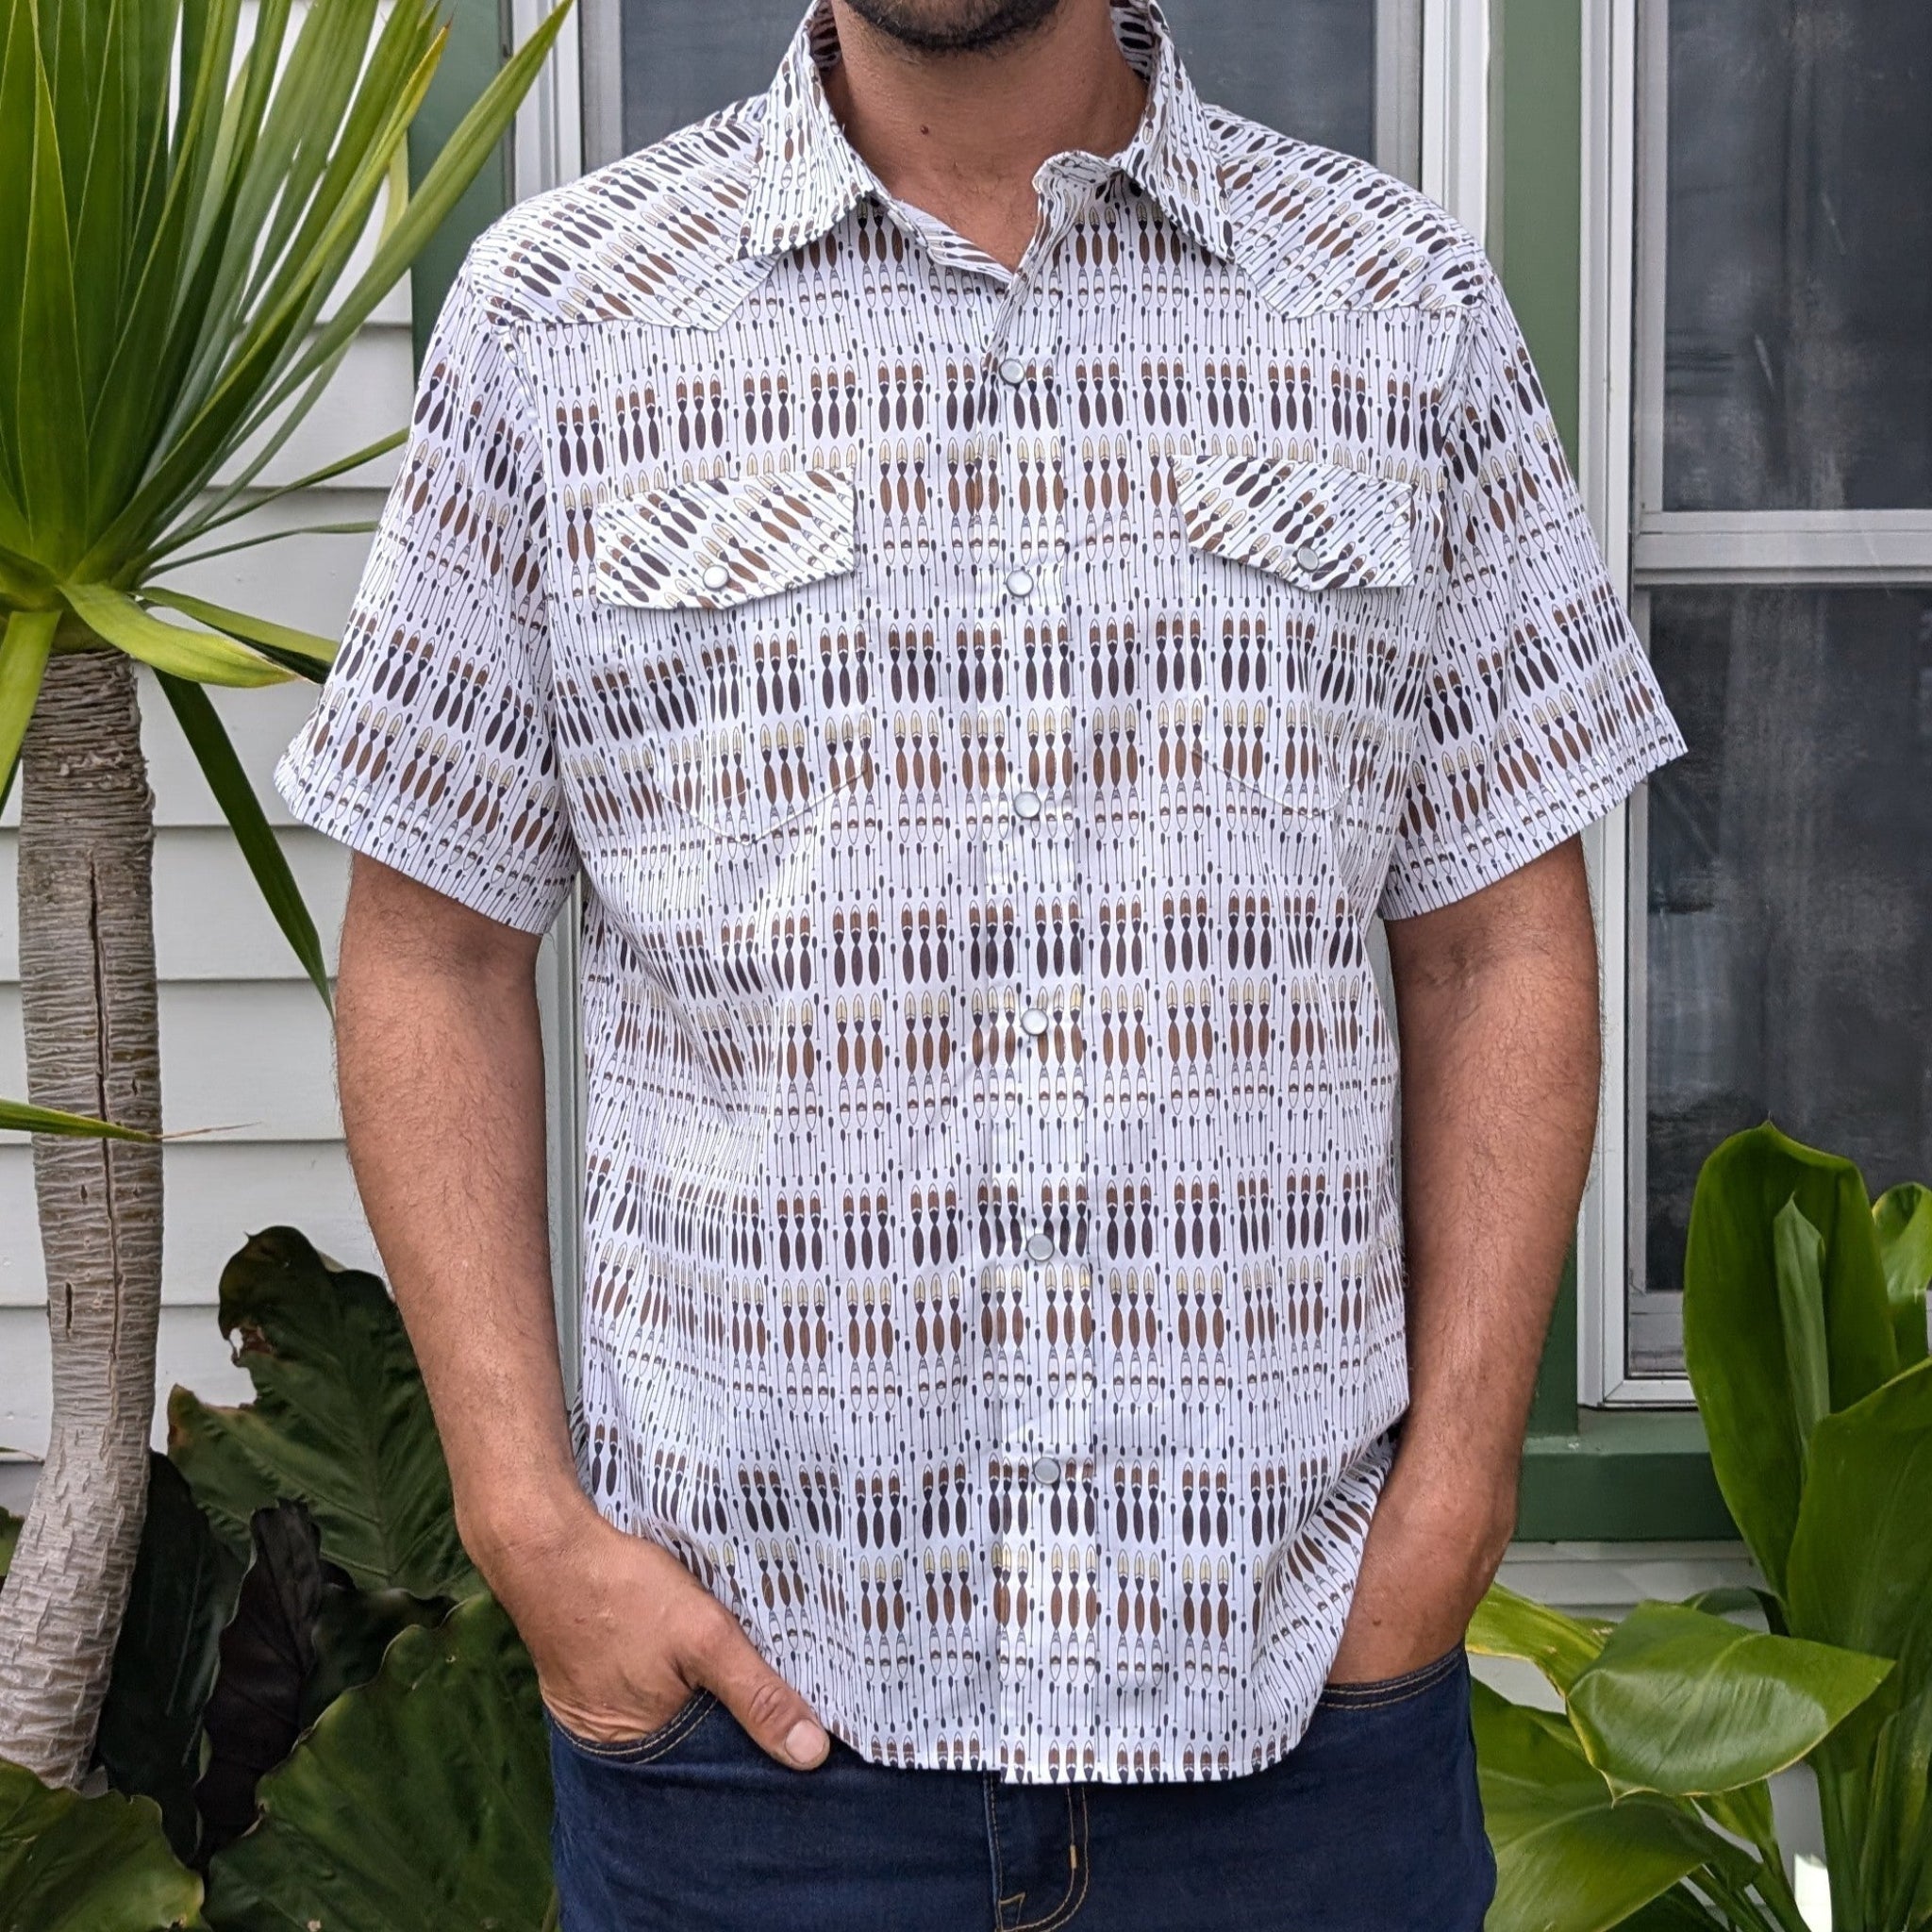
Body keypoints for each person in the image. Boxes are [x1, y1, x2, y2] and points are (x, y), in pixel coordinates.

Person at [276, 0, 1683, 1924]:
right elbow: (430, 948)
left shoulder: (1395, 306)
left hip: (1290, 1731)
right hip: (749, 1748)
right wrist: (529, 1525)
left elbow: (1495, 941)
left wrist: (1448, 1510)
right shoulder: (559, 321)